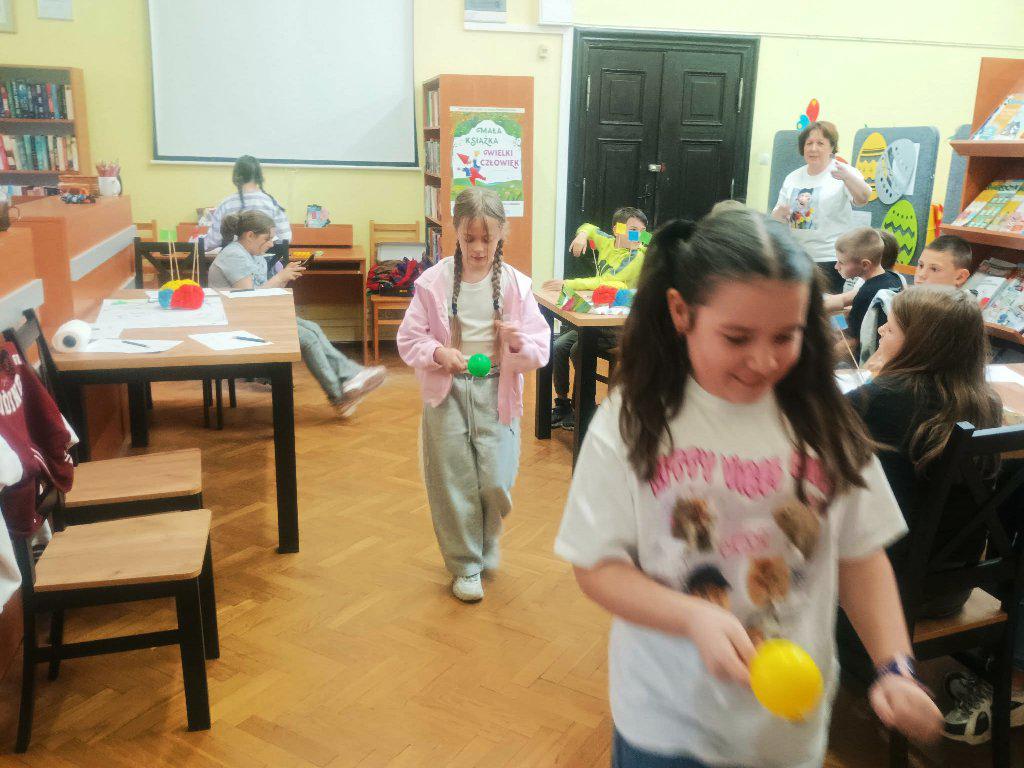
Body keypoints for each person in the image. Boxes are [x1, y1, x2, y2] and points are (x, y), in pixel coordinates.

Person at [555, 208, 941, 767]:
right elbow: (597, 567)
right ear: (681, 312)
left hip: (784, 730)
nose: (763, 360)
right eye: (736, 337)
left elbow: (860, 555)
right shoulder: (633, 421)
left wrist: (895, 666)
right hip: (666, 722)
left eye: (786, 336)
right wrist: (692, 616)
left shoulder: (823, 421)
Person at [844, 287, 1008, 745]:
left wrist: (872, 380)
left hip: (885, 594)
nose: (880, 329)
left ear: (920, 344)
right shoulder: (986, 403)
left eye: (892, 327)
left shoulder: (874, 400)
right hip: (954, 590)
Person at [397, 187, 550, 603]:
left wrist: (517, 343)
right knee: (454, 482)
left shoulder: (516, 286)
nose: (479, 248)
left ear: (502, 234)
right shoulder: (434, 283)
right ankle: (466, 565)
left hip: (497, 393)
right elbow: (409, 338)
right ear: (456, 232)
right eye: (469, 239)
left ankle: (486, 538)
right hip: (447, 394)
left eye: (488, 238)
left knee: (496, 480)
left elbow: (540, 347)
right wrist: (438, 353)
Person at [208, 210, 385, 416]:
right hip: (239, 324)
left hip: (255, 316)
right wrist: (280, 277)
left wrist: (284, 277)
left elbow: (263, 293)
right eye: (267, 238)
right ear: (250, 235)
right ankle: (341, 393)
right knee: (308, 338)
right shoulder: (234, 256)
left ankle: (349, 381)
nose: (271, 244)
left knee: (312, 328)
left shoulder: (251, 254)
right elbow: (249, 299)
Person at [544, 207, 648, 431]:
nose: (638, 236)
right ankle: (563, 404)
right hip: (596, 321)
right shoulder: (608, 242)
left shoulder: (637, 256)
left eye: (642, 231)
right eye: (632, 230)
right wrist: (582, 235)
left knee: (578, 350)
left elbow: (609, 281)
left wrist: (568, 283)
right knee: (559, 346)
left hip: (619, 328)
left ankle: (586, 407)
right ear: (617, 229)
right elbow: (589, 227)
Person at [771, 121, 871, 293]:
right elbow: (777, 217)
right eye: (808, 143)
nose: (813, 148)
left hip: (831, 258)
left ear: (832, 147)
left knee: (825, 306)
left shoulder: (843, 171)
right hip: (798, 256)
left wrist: (847, 178)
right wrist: (779, 215)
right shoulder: (793, 177)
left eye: (820, 143)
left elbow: (863, 199)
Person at [838, 229, 903, 362]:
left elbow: (851, 341)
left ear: (865, 265)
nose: (836, 266)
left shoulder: (866, 292)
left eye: (841, 262)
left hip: (868, 360)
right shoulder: (895, 278)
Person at [204, 155, 291, 250]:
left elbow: (213, 241)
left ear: (236, 176)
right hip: (267, 258)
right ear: (259, 176)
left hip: (234, 258)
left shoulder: (226, 204)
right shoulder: (271, 203)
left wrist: (196, 242)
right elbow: (285, 238)